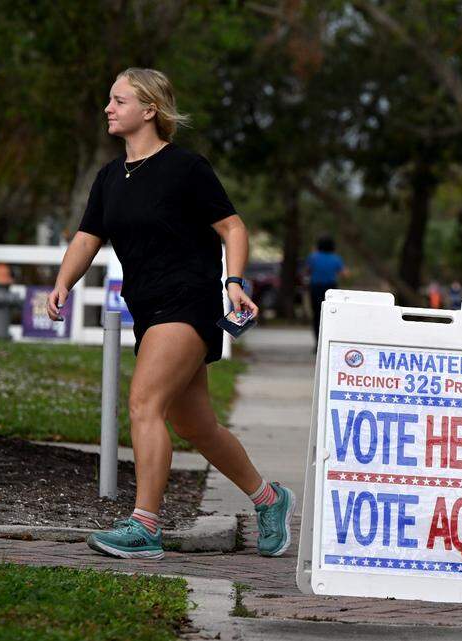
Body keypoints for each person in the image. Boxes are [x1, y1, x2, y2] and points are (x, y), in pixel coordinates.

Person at [47, 68, 294, 560]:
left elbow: (234, 228)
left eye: (118, 100)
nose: (108, 108)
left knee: (144, 404)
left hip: (187, 302)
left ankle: (145, 526)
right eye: (108, 100)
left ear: (149, 110)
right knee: (196, 426)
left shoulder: (186, 168)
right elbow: (87, 236)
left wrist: (235, 282)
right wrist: (62, 282)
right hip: (147, 306)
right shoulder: (109, 177)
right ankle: (270, 500)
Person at [305, 236, 345, 344]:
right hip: (331, 289)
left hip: (316, 288)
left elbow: (307, 270)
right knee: (331, 314)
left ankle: (317, 342)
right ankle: (329, 341)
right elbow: (343, 273)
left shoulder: (313, 257)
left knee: (317, 315)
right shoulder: (336, 258)